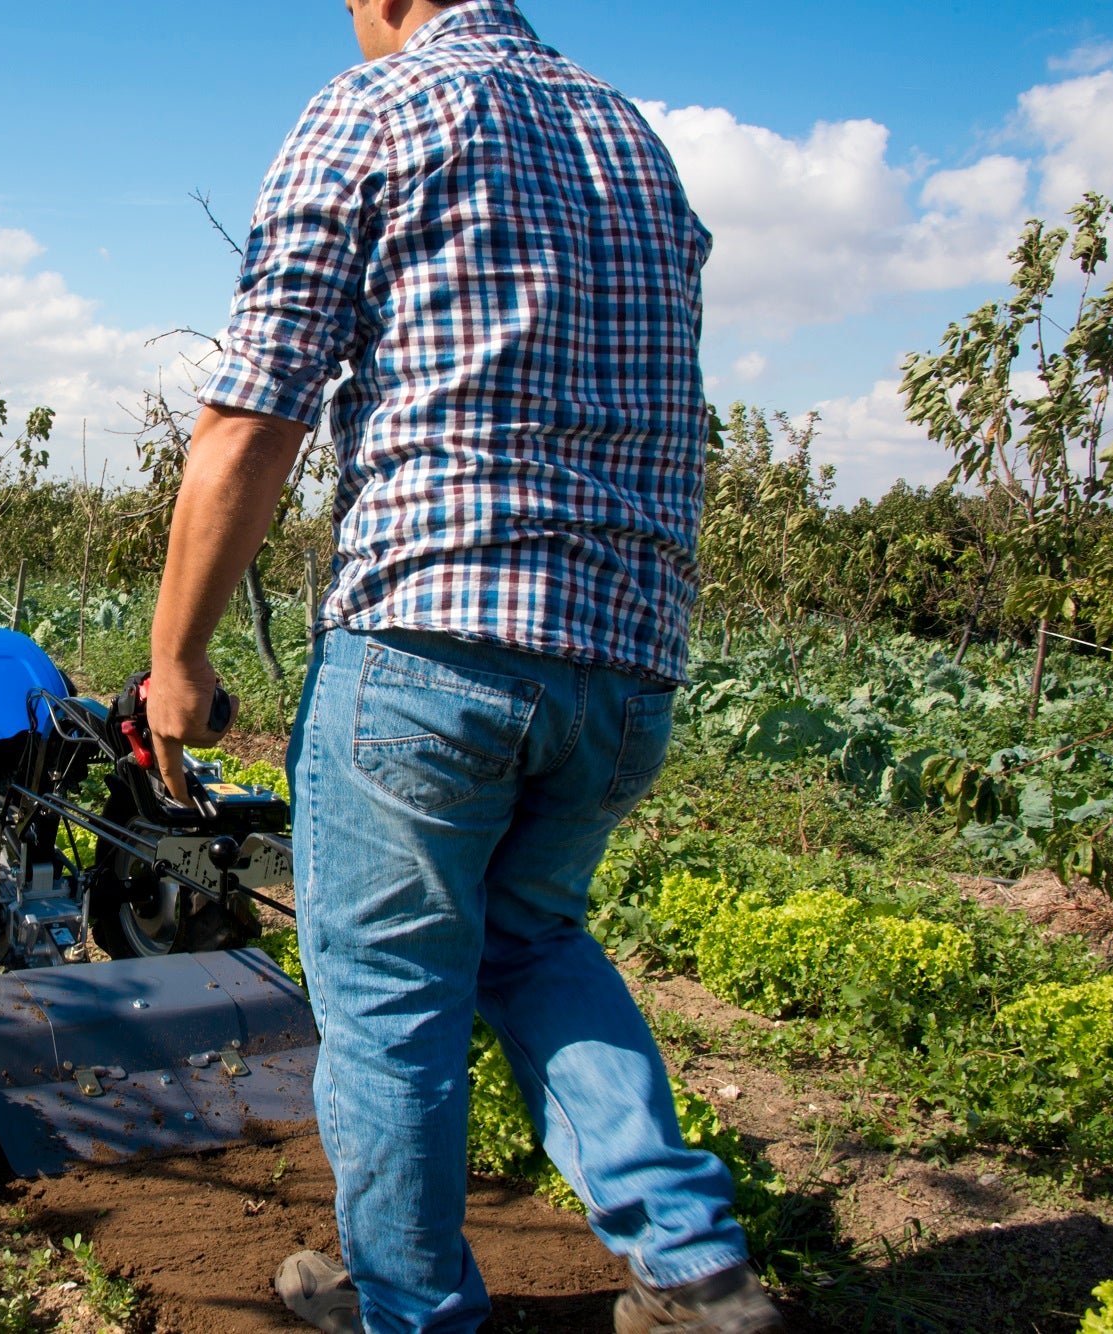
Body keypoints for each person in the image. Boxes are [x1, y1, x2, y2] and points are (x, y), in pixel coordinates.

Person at [143, 2, 784, 1332]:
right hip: (624, 660)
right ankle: (695, 1268)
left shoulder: (372, 110)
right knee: (533, 938)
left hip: (431, 643)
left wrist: (177, 659)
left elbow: (251, 420)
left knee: (388, 993)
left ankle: (410, 1303)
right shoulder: (632, 138)